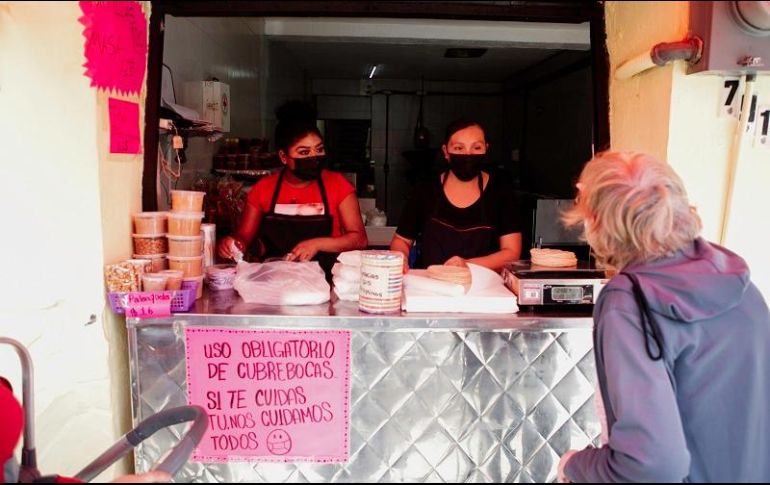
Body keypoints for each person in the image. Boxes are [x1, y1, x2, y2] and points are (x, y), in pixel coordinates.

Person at [557, 151, 770, 483]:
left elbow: (652, 464)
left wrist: (576, 464)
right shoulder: (739, 281)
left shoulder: (629, 303)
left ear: (597, 222)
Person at [218, 101, 367, 275]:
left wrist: (316, 244)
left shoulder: (338, 185)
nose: (314, 157)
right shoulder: (264, 188)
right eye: (304, 152)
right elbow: (244, 237)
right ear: (283, 156)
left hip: (324, 284)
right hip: (274, 283)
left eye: (319, 150)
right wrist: (233, 244)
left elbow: (359, 239)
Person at [390, 119, 522, 270]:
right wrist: (399, 258)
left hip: (483, 288)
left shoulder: (500, 191)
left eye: (476, 147)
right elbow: (401, 240)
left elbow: (511, 252)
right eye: (459, 148)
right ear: (446, 152)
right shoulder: (425, 189)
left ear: (486, 149)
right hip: (429, 287)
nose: (468, 154)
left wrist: (467, 265)